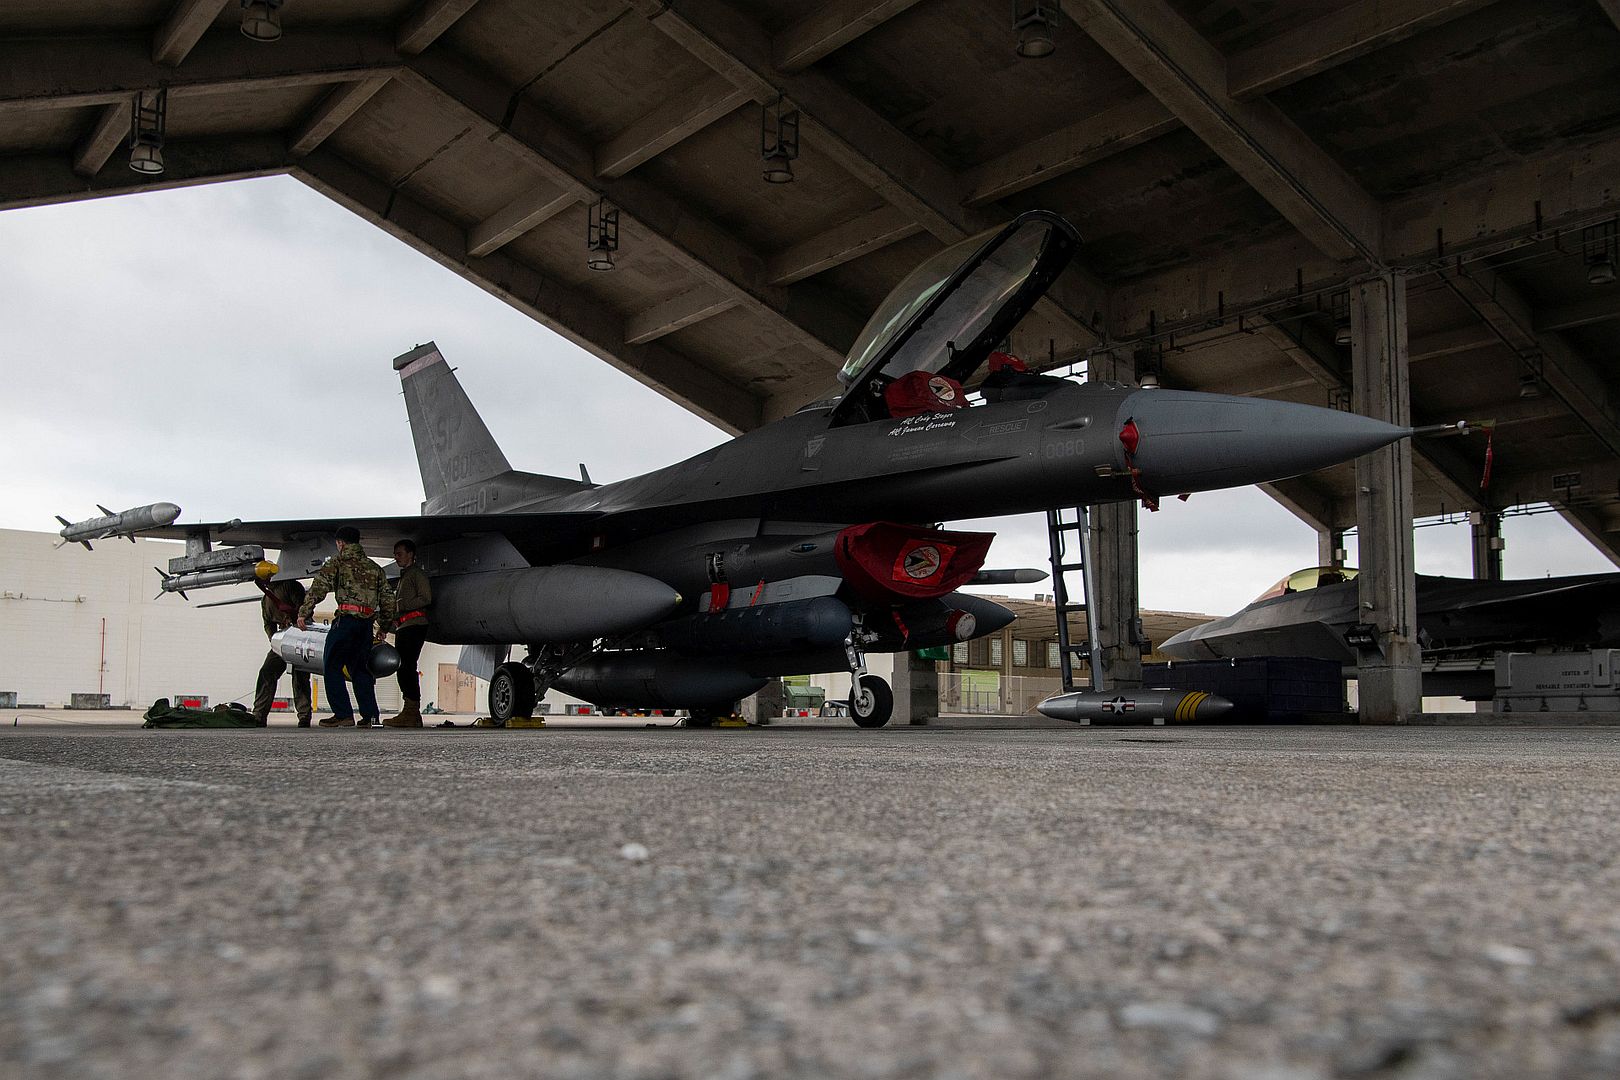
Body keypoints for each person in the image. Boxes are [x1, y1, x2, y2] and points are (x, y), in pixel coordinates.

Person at [296, 526, 395, 728]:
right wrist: (384, 626)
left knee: (332, 666)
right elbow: (388, 600)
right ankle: (370, 717)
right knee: (361, 669)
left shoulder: (338, 563)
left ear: (340, 543)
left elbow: (318, 588)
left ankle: (343, 714)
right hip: (366, 625)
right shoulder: (374, 567)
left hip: (345, 622)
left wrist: (304, 613)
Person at [252, 577, 312, 727]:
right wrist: (274, 641)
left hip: (299, 637)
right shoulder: (266, 599)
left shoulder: (290, 587)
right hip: (282, 640)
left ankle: (304, 716)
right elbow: (268, 623)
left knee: (300, 677)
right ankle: (259, 715)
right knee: (267, 672)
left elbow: (303, 609)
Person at [384, 538, 431, 728]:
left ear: (410, 554)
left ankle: (411, 711)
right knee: (403, 667)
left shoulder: (416, 574)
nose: (396, 558)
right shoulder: (406, 575)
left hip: (414, 625)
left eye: (400, 553)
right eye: (395, 554)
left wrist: (402, 605)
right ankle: (409, 709)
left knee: (407, 666)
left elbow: (426, 597)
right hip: (404, 626)